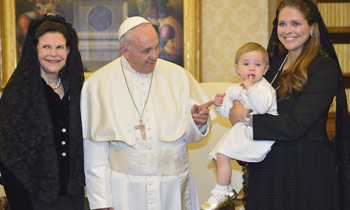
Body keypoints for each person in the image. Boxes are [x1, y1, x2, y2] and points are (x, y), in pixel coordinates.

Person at [81, 16, 213, 210]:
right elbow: (94, 153)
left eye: (157, 47)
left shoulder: (179, 77)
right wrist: (101, 202)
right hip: (124, 191)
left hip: (173, 188)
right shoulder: (98, 84)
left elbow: (192, 136)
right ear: (125, 51)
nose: (155, 56)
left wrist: (198, 122)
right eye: (146, 51)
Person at [228, 0, 350, 209]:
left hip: (305, 172)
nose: (287, 30)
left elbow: (297, 125)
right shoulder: (270, 66)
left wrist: (247, 118)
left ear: (312, 27)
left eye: (295, 23)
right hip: (268, 170)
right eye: (282, 24)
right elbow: (248, 102)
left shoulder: (324, 68)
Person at [0, 15, 85, 210]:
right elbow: (8, 156)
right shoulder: (17, 93)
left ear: (69, 50)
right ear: (34, 50)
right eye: (46, 46)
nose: (53, 54)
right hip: (32, 199)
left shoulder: (78, 90)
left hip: (72, 198)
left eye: (60, 47)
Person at [201, 42, 278, 210]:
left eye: (257, 64)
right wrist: (220, 104)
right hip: (243, 130)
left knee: (222, 154)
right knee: (217, 156)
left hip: (260, 134)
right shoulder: (235, 89)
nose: (251, 68)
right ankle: (226, 188)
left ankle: (221, 190)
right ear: (237, 68)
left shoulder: (265, 88)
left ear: (265, 69)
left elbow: (262, 107)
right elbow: (229, 114)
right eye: (246, 64)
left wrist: (250, 89)